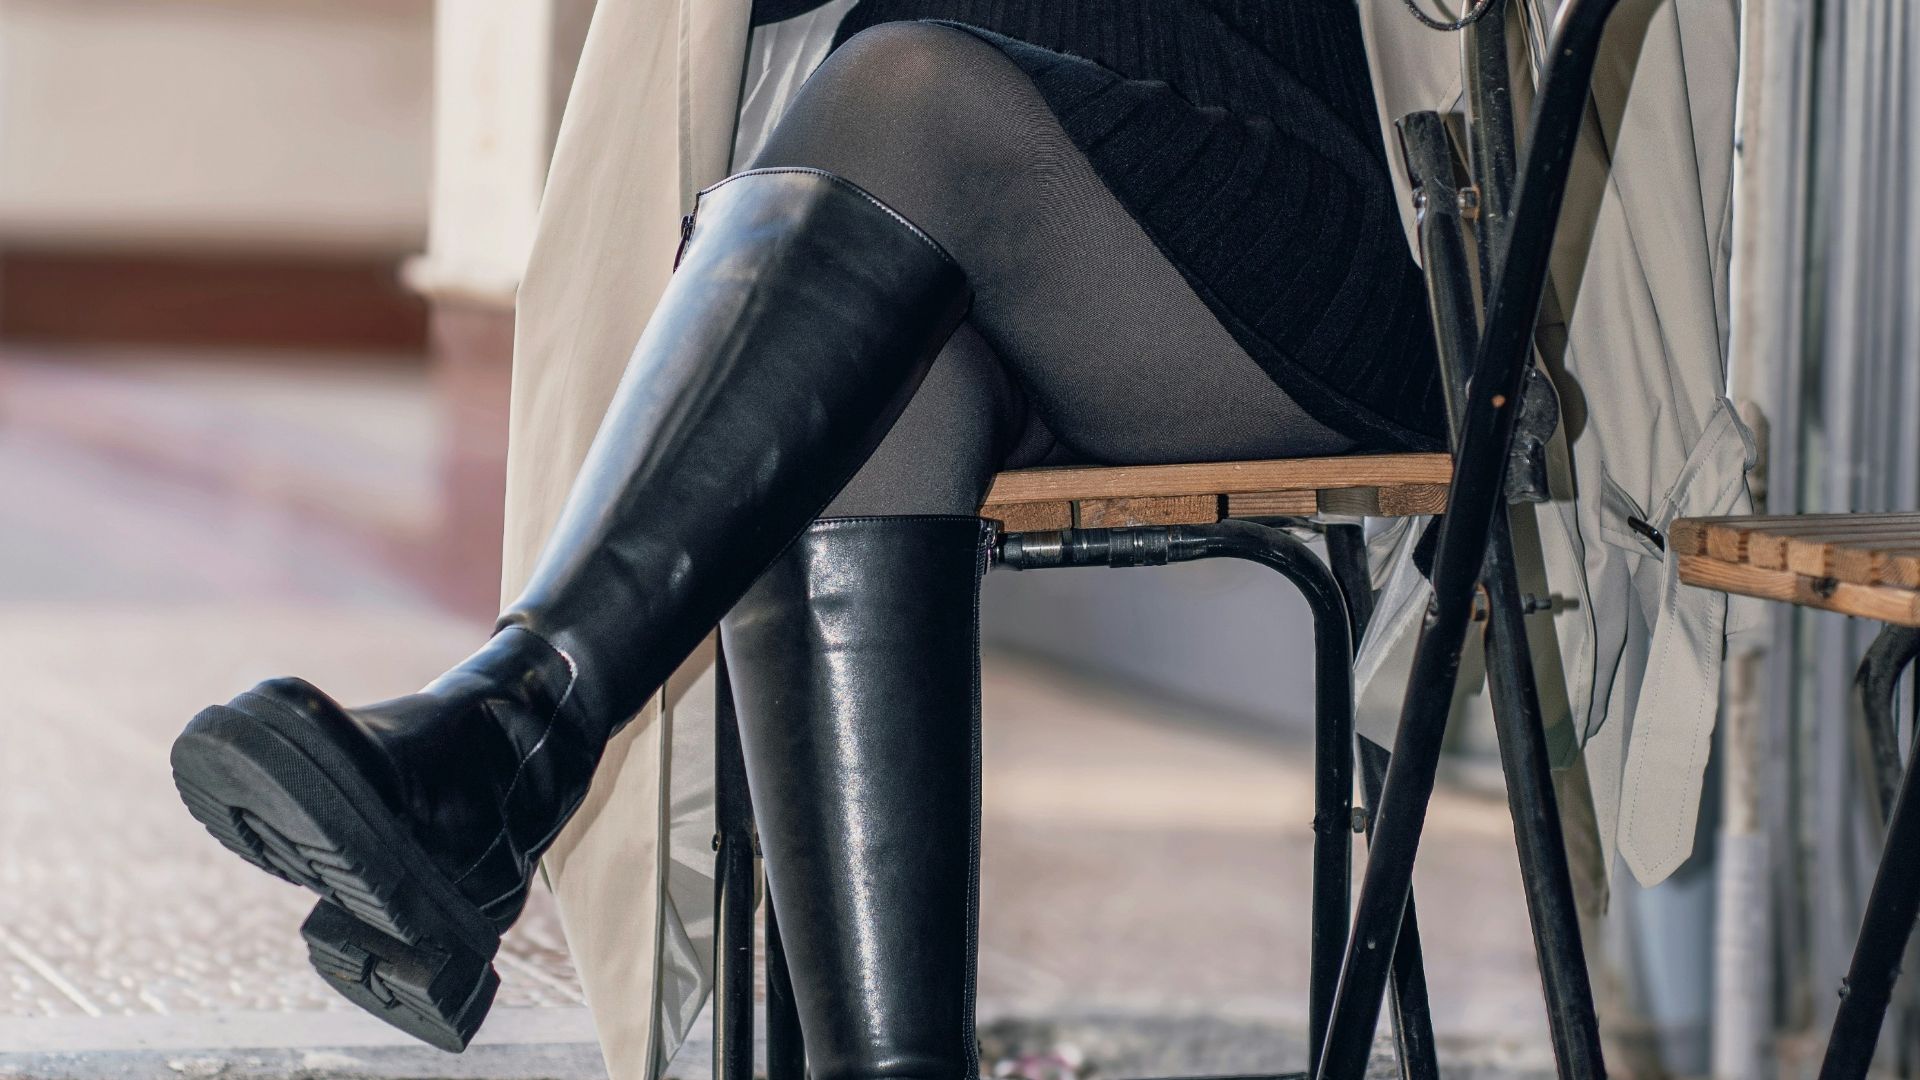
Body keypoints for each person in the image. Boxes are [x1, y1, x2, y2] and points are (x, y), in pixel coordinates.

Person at [169, 0, 1447, 1067]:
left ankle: (509, 742)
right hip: (946, 216)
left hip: (1285, 219)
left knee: (900, 104)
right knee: (830, 366)